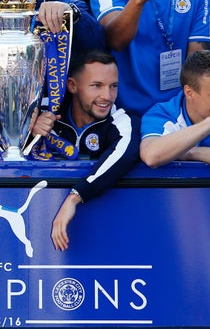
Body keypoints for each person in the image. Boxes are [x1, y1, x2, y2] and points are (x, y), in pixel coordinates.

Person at [26, 50, 140, 251]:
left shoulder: (123, 121)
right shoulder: (42, 112)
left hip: (104, 235)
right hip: (35, 227)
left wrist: (75, 197)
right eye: (96, 86)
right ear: (72, 86)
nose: (107, 96)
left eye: (113, 86)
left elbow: (125, 154)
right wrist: (28, 132)